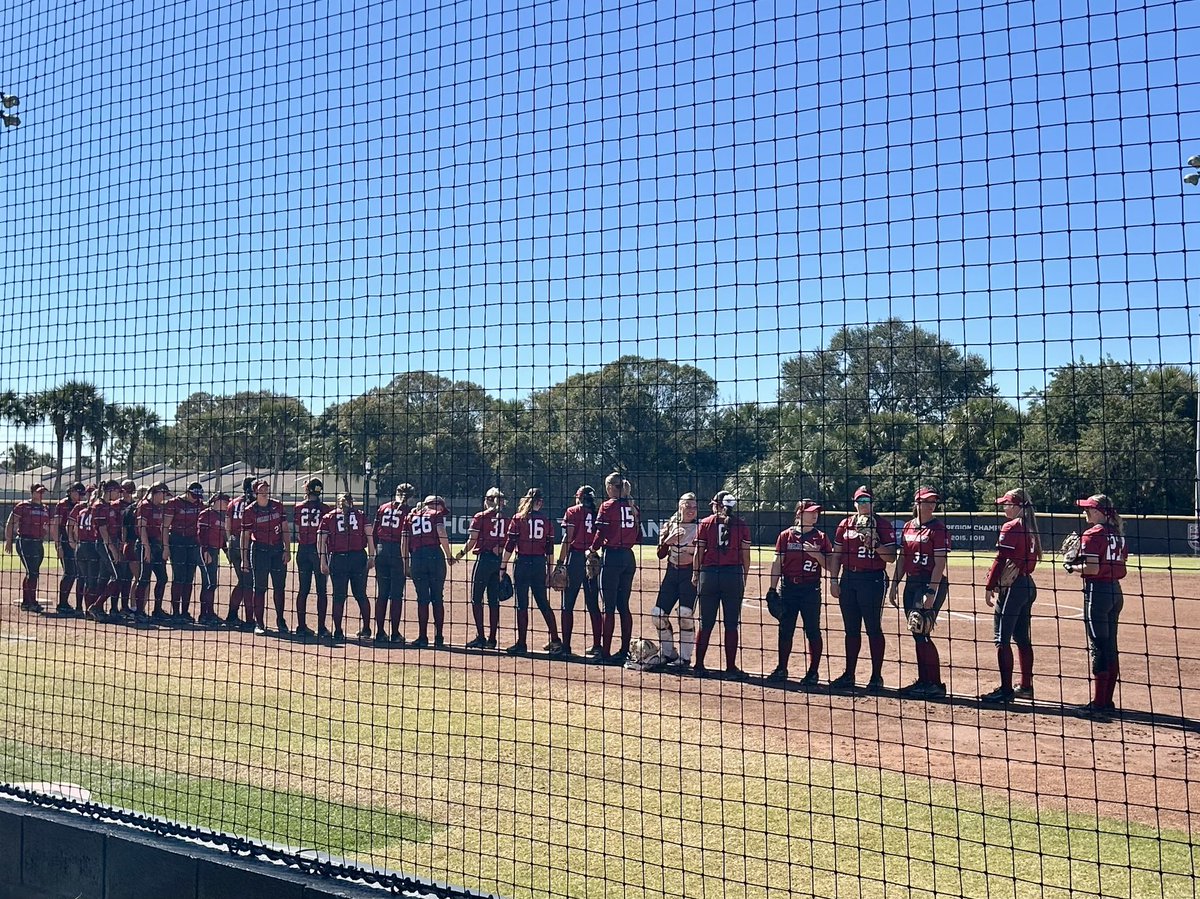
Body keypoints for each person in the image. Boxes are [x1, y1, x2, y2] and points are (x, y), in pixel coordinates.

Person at [827, 486, 897, 692]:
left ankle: (876, 677)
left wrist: (874, 544)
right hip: (849, 578)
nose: (863, 504)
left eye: (867, 501)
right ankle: (849, 674)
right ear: (854, 502)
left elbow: (891, 557)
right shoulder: (845, 524)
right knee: (851, 629)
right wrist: (833, 580)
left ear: (873, 503)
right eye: (860, 501)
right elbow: (837, 555)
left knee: (873, 628)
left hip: (872, 579)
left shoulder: (882, 524)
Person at [1065, 493, 1129, 718]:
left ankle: (1099, 703)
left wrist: (1071, 567)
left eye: (1089, 509)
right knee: (1110, 645)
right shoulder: (1117, 534)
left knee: (1098, 646)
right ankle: (1107, 700)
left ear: (1100, 512)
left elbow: (1091, 569)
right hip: (1115, 592)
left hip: (1097, 594)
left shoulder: (1093, 534)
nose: (1086, 512)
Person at [979, 488, 1041, 703]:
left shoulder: (1012, 526)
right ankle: (1025, 686)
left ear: (1016, 506)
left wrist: (989, 585)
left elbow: (1001, 559)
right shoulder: (1030, 527)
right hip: (1027, 585)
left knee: (1001, 639)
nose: (1004, 507)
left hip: (1013, 588)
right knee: (1022, 638)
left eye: (1007, 504)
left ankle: (1006, 690)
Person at [889, 487, 951, 698]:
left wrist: (931, 592)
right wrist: (894, 584)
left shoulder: (938, 528)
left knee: (922, 630)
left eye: (933, 501)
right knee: (916, 632)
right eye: (926, 501)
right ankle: (924, 681)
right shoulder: (908, 526)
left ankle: (935, 683)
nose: (931, 505)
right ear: (916, 503)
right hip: (912, 583)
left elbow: (940, 562)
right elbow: (902, 559)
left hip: (929, 583)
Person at [766, 498, 832, 685]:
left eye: (816, 511)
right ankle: (781, 668)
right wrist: (772, 588)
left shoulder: (821, 537)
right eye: (810, 511)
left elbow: (830, 566)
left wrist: (817, 555)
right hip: (789, 589)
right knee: (785, 629)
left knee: (812, 630)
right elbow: (777, 563)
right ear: (799, 514)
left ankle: (813, 672)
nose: (815, 514)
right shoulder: (785, 536)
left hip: (811, 589)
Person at [690, 491, 752, 679]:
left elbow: (698, 553)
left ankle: (699, 665)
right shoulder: (741, 524)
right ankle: (731, 668)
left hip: (709, 575)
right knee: (731, 624)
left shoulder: (706, 523)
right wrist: (744, 576)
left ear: (717, 504)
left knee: (705, 622)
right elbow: (746, 555)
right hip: (732, 575)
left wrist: (695, 574)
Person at [499, 488, 560, 655]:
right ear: (539, 502)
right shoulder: (546, 521)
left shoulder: (518, 519)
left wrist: (502, 567)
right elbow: (549, 550)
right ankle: (555, 640)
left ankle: (522, 643)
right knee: (542, 602)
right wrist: (550, 570)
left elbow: (509, 546)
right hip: (539, 563)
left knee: (522, 604)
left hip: (523, 563)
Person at [587, 473, 640, 664]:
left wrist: (591, 550)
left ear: (610, 487)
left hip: (612, 557)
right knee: (623, 606)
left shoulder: (608, 505)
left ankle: (606, 653)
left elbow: (600, 534)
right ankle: (624, 650)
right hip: (628, 557)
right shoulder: (633, 507)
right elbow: (639, 537)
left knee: (608, 607)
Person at [651, 492, 700, 671]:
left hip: (690, 576)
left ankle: (685, 658)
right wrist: (668, 541)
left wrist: (693, 557)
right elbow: (660, 554)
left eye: (694, 507)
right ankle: (668, 652)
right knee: (657, 614)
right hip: (672, 574)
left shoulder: (701, 527)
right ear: (680, 507)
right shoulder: (670, 525)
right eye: (688, 506)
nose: (691, 511)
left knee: (685, 614)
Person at [318, 493, 374, 642]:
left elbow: (321, 541)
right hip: (358, 557)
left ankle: (338, 631)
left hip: (338, 558)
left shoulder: (329, 517)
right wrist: (372, 555)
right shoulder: (360, 515)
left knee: (338, 597)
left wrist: (322, 561)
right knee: (361, 594)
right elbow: (369, 536)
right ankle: (367, 628)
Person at [401, 494, 456, 647]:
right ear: (435, 505)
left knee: (422, 598)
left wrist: (406, 565)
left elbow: (404, 543)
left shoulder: (410, 517)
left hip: (417, 557)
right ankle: (439, 638)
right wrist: (448, 555)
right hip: (435, 556)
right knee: (438, 597)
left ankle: (423, 637)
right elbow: (442, 533)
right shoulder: (436, 515)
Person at [554, 485, 602, 656]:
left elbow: (568, 538)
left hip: (575, 558)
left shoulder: (573, 511)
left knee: (568, 604)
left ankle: (566, 647)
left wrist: (560, 562)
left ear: (579, 497)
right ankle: (597, 646)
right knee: (593, 605)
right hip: (592, 558)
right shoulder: (597, 513)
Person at [458, 487, 508, 649]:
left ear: (489, 500)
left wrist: (459, 554)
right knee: (494, 600)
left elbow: (472, 541)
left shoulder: (481, 516)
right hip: (499, 561)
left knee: (476, 599)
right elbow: (510, 542)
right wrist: (500, 550)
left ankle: (481, 637)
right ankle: (492, 639)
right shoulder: (507, 518)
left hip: (484, 560)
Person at [240, 479, 290, 636]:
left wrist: (287, 550)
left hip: (276, 549)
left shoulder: (277, 505)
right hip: (259, 550)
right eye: (261, 489)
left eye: (266, 488)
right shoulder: (249, 510)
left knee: (279, 587)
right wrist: (244, 558)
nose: (265, 491)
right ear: (255, 492)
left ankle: (281, 620)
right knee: (260, 588)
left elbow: (285, 529)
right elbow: (245, 536)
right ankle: (259, 623)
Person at [368, 483, 416, 644]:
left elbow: (374, 533)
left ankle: (380, 632)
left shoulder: (383, 508)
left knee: (382, 594)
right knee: (396, 595)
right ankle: (395, 633)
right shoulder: (409, 512)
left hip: (381, 549)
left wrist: (373, 554)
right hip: (398, 552)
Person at [4, 483, 52, 612]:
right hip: (25, 541)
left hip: (38, 542)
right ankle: (32, 602)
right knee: (32, 572)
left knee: (33, 571)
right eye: (38, 492)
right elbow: (10, 522)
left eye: (43, 492)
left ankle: (26, 602)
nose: (41, 494)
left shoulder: (45, 508)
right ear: (32, 492)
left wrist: (45, 533)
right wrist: (9, 540)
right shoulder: (23, 506)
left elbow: (47, 526)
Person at [292, 477, 331, 638]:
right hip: (319, 550)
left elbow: (296, 527)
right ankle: (321, 628)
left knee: (303, 589)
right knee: (322, 590)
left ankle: (301, 626)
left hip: (303, 549)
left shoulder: (298, 507)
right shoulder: (325, 508)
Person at [162, 481, 205, 623]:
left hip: (192, 542)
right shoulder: (174, 503)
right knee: (178, 577)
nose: (195, 498)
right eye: (193, 495)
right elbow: (165, 526)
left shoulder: (199, 504)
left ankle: (185, 612)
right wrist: (166, 546)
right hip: (177, 541)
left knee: (189, 577)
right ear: (187, 492)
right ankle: (175, 612)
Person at [135, 482, 171, 621]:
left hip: (156, 544)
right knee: (144, 578)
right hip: (145, 544)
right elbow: (141, 527)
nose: (164, 498)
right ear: (157, 492)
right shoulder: (144, 505)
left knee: (162, 577)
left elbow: (162, 528)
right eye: (163, 494)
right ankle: (138, 611)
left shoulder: (159, 507)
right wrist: (147, 548)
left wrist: (164, 547)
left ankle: (157, 610)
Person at [50, 482, 87, 615]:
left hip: (78, 543)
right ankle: (62, 603)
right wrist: (58, 545)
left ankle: (67, 604)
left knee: (78, 574)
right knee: (69, 572)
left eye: (82, 494)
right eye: (77, 492)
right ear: (70, 491)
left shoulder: (81, 506)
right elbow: (56, 526)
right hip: (65, 542)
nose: (79, 496)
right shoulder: (63, 504)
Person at [224, 477, 256, 628]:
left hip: (234, 542)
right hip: (247, 543)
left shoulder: (233, 502)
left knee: (244, 582)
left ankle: (235, 615)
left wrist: (230, 542)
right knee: (247, 583)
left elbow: (227, 527)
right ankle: (245, 618)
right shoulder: (253, 503)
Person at [196, 492, 230, 626]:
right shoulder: (206, 514)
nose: (227, 504)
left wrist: (226, 551)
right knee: (209, 583)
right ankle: (205, 615)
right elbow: (201, 534)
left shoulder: (221, 516)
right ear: (217, 501)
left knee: (211, 583)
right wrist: (205, 550)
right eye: (225, 501)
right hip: (206, 550)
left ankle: (208, 613)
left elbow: (221, 538)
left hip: (214, 551)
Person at [113, 479, 140, 616]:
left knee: (128, 577)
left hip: (131, 542)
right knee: (118, 576)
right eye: (125, 490)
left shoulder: (135, 505)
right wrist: (120, 542)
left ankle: (124, 606)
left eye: (129, 490)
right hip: (118, 542)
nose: (127, 493)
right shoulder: (116, 505)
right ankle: (113, 607)